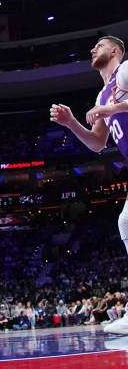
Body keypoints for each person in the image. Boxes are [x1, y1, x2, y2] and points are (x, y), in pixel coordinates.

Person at [50, 35, 128, 335]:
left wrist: (113, 110)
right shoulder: (101, 96)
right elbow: (97, 143)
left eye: (100, 44)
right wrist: (71, 122)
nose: (93, 49)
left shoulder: (124, 72)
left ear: (115, 51)